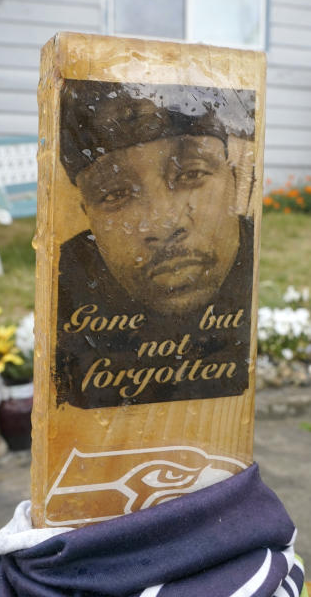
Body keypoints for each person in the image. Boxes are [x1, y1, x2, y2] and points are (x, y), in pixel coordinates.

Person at [55, 80, 257, 409]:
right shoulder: (65, 281)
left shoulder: (253, 261)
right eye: (114, 194)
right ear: (88, 215)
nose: (165, 225)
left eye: (191, 174)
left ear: (232, 182)